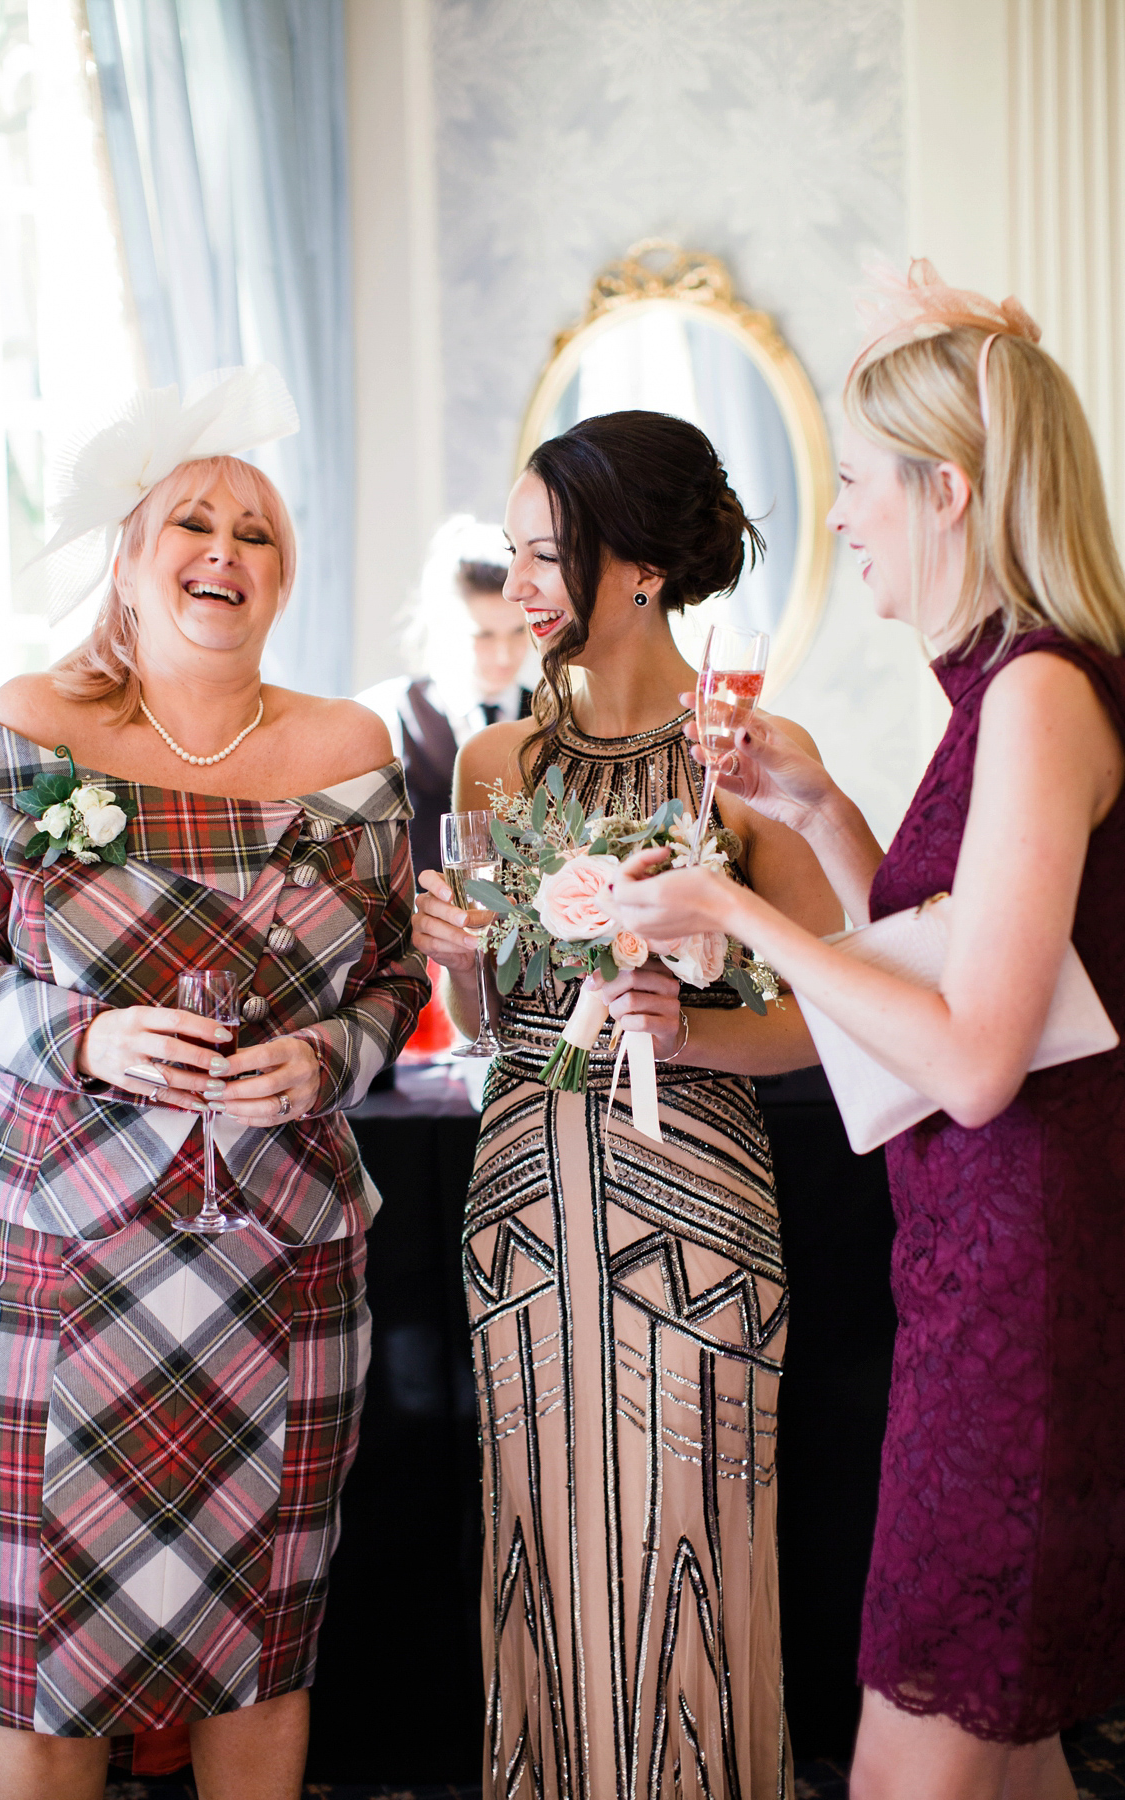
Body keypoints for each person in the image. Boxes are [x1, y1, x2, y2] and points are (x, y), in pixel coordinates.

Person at [610, 264, 1125, 1800]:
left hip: (1018, 1295)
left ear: (946, 492)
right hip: (980, 1270)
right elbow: (971, 968)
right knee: (1004, 1751)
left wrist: (737, 909)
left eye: (853, 487)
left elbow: (972, 1058)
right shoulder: (1009, 692)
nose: (837, 520)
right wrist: (826, 818)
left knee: (922, 1762)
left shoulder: (1037, 693)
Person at [0, 367, 428, 1800]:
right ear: (132, 569)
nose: (229, 549)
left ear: (283, 582)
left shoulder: (351, 753)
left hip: (281, 1275)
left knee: (264, 1664)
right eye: (193, 525)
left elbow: (398, 979)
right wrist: (83, 1041)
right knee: (46, 1690)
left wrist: (325, 1057)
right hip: (50, 1266)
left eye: (260, 532)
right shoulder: (26, 732)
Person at [412, 411, 843, 1799]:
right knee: (537, 1543)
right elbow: (492, 1035)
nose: (524, 583)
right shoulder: (494, 771)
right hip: (522, 1206)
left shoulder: (745, 762)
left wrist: (699, 1036)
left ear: (642, 567)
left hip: (696, 1210)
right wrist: (468, 969)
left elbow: (841, 1018)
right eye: (519, 552)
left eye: (550, 553)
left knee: (691, 1549)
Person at [357, 515, 535, 879]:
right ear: (441, 625)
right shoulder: (384, 716)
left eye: (518, 631)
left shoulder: (552, 715)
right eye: (482, 635)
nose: (504, 656)